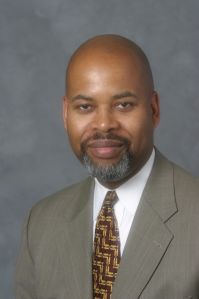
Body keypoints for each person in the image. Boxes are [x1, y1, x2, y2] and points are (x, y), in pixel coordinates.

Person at [15, 34, 199, 299]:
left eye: (123, 105)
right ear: (66, 114)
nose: (103, 124)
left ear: (154, 109)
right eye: (85, 106)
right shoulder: (41, 223)